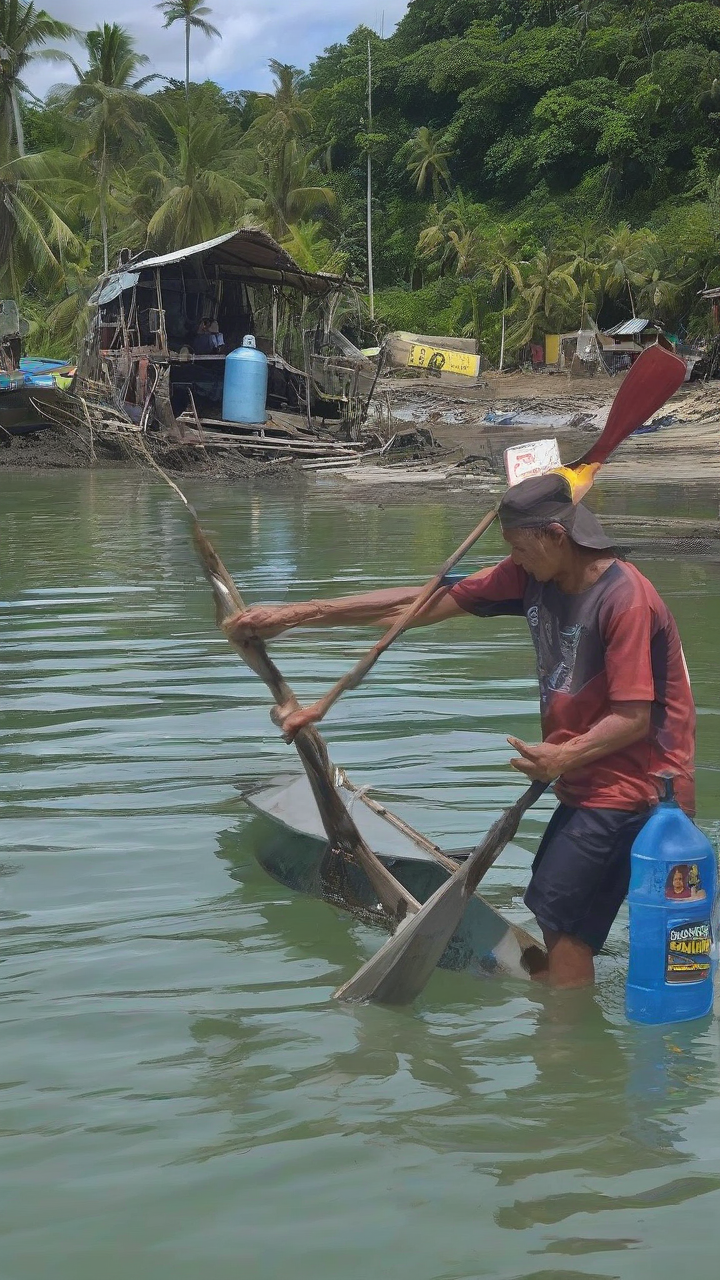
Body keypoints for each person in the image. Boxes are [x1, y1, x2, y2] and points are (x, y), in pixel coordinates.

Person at [224, 472, 696, 989]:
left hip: (640, 788)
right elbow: (417, 605)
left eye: (519, 548)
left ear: (557, 537)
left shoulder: (625, 600)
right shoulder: (535, 575)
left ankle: (562, 1022)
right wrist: (295, 616)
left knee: (565, 922)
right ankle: (571, 999)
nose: (513, 559)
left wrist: (562, 757)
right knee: (560, 908)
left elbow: (633, 719)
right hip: (588, 780)